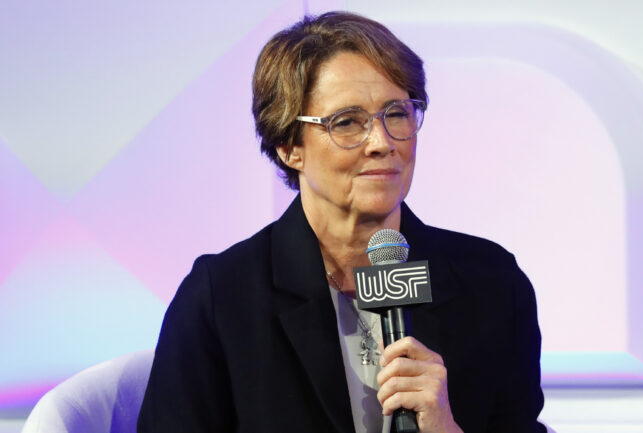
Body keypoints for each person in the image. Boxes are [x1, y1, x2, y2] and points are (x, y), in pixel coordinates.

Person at [138, 11, 546, 433]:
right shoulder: (222, 299)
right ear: (288, 145)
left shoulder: (491, 284)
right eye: (347, 122)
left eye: (397, 113)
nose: (382, 142)